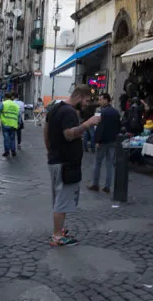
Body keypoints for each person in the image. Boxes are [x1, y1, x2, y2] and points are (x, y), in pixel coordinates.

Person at [44, 85, 100, 246]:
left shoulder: (55, 108)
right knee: (62, 200)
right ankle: (57, 236)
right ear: (80, 96)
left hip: (56, 160)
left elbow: (46, 130)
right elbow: (68, 135)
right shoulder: (69, 112)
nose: (87, 104)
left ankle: (59, 230)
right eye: (87, 100)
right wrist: (88, 124)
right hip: (66, 163)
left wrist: (50, 150)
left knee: (58, 199)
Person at [88, 93, 121, 194]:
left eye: (101, 99)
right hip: (112, 141)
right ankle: (107, 186)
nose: (99, 101)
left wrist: (97, 141)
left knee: (97, 163)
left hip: (103, 142)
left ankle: (95, 184)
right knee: (109, 164)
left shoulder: (102, 112)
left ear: (106, 100)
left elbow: (99, 128)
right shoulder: (116, 112)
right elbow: (118, 127)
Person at [0, 92, 19, 157]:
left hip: (5, 123)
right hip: (13, 124)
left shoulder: (4, 103)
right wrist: (18, 123)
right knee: (12, 138)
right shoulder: (15, 105)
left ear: (5, 97)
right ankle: (13, 151)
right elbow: (19, 115)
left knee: (6, 138)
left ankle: (7, 152)